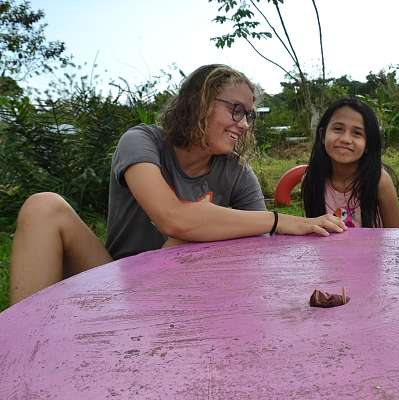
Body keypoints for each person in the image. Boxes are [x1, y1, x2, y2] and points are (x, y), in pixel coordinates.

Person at [9, 64, 346, 305]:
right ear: (199, 102)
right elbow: (173, 218)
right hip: (116, 282)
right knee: (44, 205)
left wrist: (202, 230)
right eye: (236, 110)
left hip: (191, 290)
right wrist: (279, 220)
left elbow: (255, 254)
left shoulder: (237, 173)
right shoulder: (142, 141)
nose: (243, 124)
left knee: (191, 237)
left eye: (249, 115)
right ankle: (18, 345)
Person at [301, 98, 399, 228]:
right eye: (338, 129)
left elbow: (394, 234)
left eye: (357, 133)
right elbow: (312, 232)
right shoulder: (311, 179)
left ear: (368, 144)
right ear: (322, 135)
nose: (345, 139)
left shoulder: (379, 180)